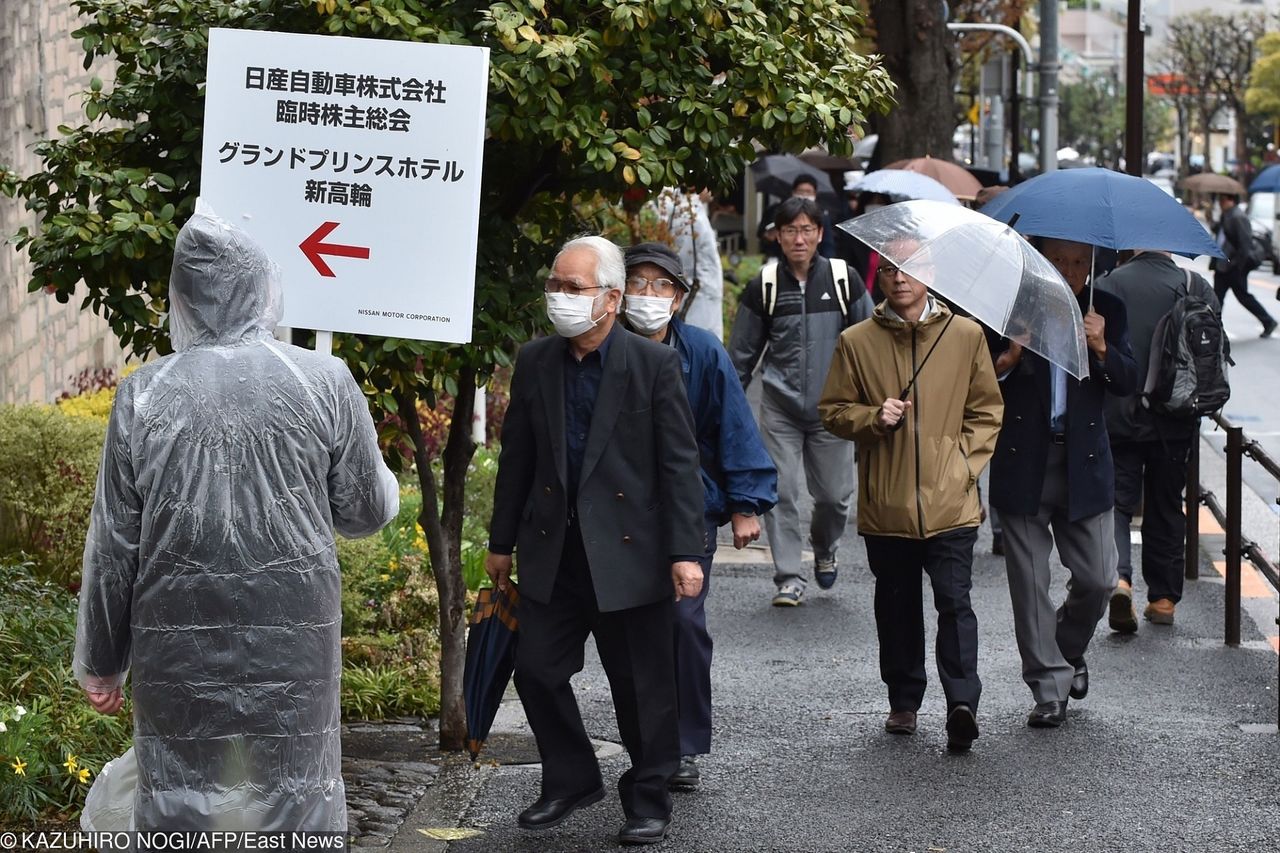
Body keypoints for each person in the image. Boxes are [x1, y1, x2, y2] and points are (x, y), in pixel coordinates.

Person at [74, 204, 399, 830]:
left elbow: (114, 544)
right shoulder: (322, 381)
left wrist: (101, 660)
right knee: (295, 791)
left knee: (180, 793)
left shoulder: (143, 395)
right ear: (265, 291)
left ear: (182, 300)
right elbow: (365, 511)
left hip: (174, 640)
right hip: (293, 636)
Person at [485, 235, 705, 846]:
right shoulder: (536, 361)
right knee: (536, 670)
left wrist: (686, 552)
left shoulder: (653, 364)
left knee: (642, 685)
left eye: (572, 288)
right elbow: (518, 460)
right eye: (554, 285)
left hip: (631, 551)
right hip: (554, 549)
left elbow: (680, 466)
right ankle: (571, 777)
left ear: (610, 299)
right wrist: (501, 542)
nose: (559, 298)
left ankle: (648, 794)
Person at [818, 247, 1003, 752]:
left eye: (912, 269)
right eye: (891, 270)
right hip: (888, 503)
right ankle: (903, 699)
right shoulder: (856, 341)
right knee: (896, 604)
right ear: (879, 278)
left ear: (933, 275)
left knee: (954, 600)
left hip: (952, 503)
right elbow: (833, 410)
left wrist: (963, 466)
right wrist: (872, 418)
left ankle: (962, 702)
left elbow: (986, 410)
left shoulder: (964, 335)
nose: (901, 280)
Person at [621, 241, 778, 792]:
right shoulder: (601, 348)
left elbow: (733, 425)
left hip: (688, 509)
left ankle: (683, 744)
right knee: (631, 631)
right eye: (637, 282)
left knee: (684, 625)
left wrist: (743, 504)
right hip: (615, 515)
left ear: (680, 298)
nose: (648, 295)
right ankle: (644, 742)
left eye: (661, 285)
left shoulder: (704, 353)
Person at [988, 237, 1138, 729]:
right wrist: (1008, 360)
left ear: (1092, 264)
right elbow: (975, 379)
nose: (1070, 270)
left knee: (1098, 578)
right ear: (1039, 259)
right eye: (1059, 260)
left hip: (1085, 465)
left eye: (1079, 261)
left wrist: (1101, 347)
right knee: (1030, 586)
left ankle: (1067, 650)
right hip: (1022, 460)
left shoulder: (1106, 307)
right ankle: (1048, 688)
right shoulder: (1009, 305)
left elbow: (1129, 380)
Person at [729, 196, 874, 606]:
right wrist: (726, 409)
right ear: (778, 236)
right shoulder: (766, 285)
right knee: (782, 492)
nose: (799, 238)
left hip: (834, 410)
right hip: (780, 408)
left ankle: (825, 549)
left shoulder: (844, 280)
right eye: (790, 230)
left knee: (834, 497)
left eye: (807, 229)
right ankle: (789, 576)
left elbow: (870, 344)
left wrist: (873, 403)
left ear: (820, 234)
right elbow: (741, 355)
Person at [1098, 251, 1221, 630]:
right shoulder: (1196, 286)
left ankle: (1119, 578)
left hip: (1119, 414)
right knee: (1167, 504)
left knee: (1117, 502)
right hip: (1176, 416)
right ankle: (1164, 599)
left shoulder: (1106, 286)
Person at [651, 188, 726, 340]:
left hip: (703, 291)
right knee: (697, 343)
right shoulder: (687, 214)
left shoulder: (693, 209)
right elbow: (684, 260)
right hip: (696, 294)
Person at [1211, 192, 1277, 338]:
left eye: (1222, 199)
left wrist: (1236, 266)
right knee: (1218, 298)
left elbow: (1244, 245)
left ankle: (1268, 321)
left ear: (1231, 200)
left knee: (1241, 297)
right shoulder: (1227, 215)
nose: (1220, 203)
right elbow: (1222, 235)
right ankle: (1213, 328)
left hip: (1232, 267)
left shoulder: (1238, 217)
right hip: (1224, 265)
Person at [758, 174, 837, 259]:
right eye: (801, 191)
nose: (799, 240)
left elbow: (828, 245)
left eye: (807, 230)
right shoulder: (778, 211)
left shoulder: (822, 215)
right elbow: (761, 235)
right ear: (793, 192)